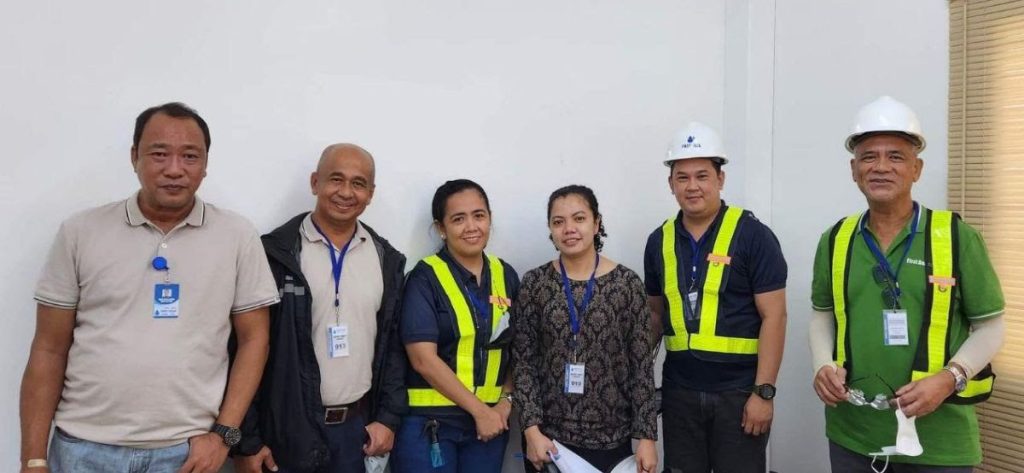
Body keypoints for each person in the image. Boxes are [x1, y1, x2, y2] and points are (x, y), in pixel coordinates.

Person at [19, 102, 279, 473]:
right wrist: (33, 457)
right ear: (134, 157)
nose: (174, 169)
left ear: (206, 164)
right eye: (159, 154)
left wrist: (224, 436)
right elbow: (48, 348)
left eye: (190, 156)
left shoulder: (237, 236)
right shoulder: (80, 232)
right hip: (83, 450)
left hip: (187, 453)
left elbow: (255, 341)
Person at [810, 96, 1006, 472]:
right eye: (869, 157)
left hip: (940, 440)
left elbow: (991, 326)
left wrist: (951, 379)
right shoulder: (836, 239)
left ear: (916, 169)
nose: (881, 167)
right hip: (853, 434)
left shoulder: (956, 237)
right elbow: (822, 316)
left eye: (896, 156)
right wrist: (822, 365)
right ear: (854, 170)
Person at [234, 144, 408, 472]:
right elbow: (244, 347)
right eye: (335, 179)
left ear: (370, 193)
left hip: (356, 432)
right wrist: (247, 440)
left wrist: (388, 418)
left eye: (358, 184)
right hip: (286, 432)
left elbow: (393, 347)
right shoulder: (274, 254)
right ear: (315, 183)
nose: (346, 192)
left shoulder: (387, 259)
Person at [645, 122, 788, 473]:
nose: (692, 186)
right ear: (671, 184)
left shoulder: (753, 235)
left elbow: (775, 317)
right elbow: (654, 318)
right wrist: (632, 377)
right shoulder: (658, 241)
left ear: (720, 179)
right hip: (680, 393)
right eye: (682, 177)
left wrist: (764, 393)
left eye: (702, 176)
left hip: (738, 395)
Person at [514, 184, 658, 473]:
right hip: (549, 440)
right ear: (551, 229)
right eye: (559, 221)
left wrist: (647, 437)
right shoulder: (534, 284)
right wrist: (531, 430)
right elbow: (522, 362)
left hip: (613, 440)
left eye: (579, 218)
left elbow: (641, 366)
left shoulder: (627, 284)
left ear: (597, 223)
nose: (569, 228)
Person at [390, 179, 519, 473]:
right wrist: (480, 411)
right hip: (431, 424)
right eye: (458, 219)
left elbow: (515, 349)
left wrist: (504, 404)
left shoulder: (505, 274)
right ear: (441, 228)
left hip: (489, 426)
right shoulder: (425, 278)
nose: (471, 226)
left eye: (479, 215)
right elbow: (423, 360)